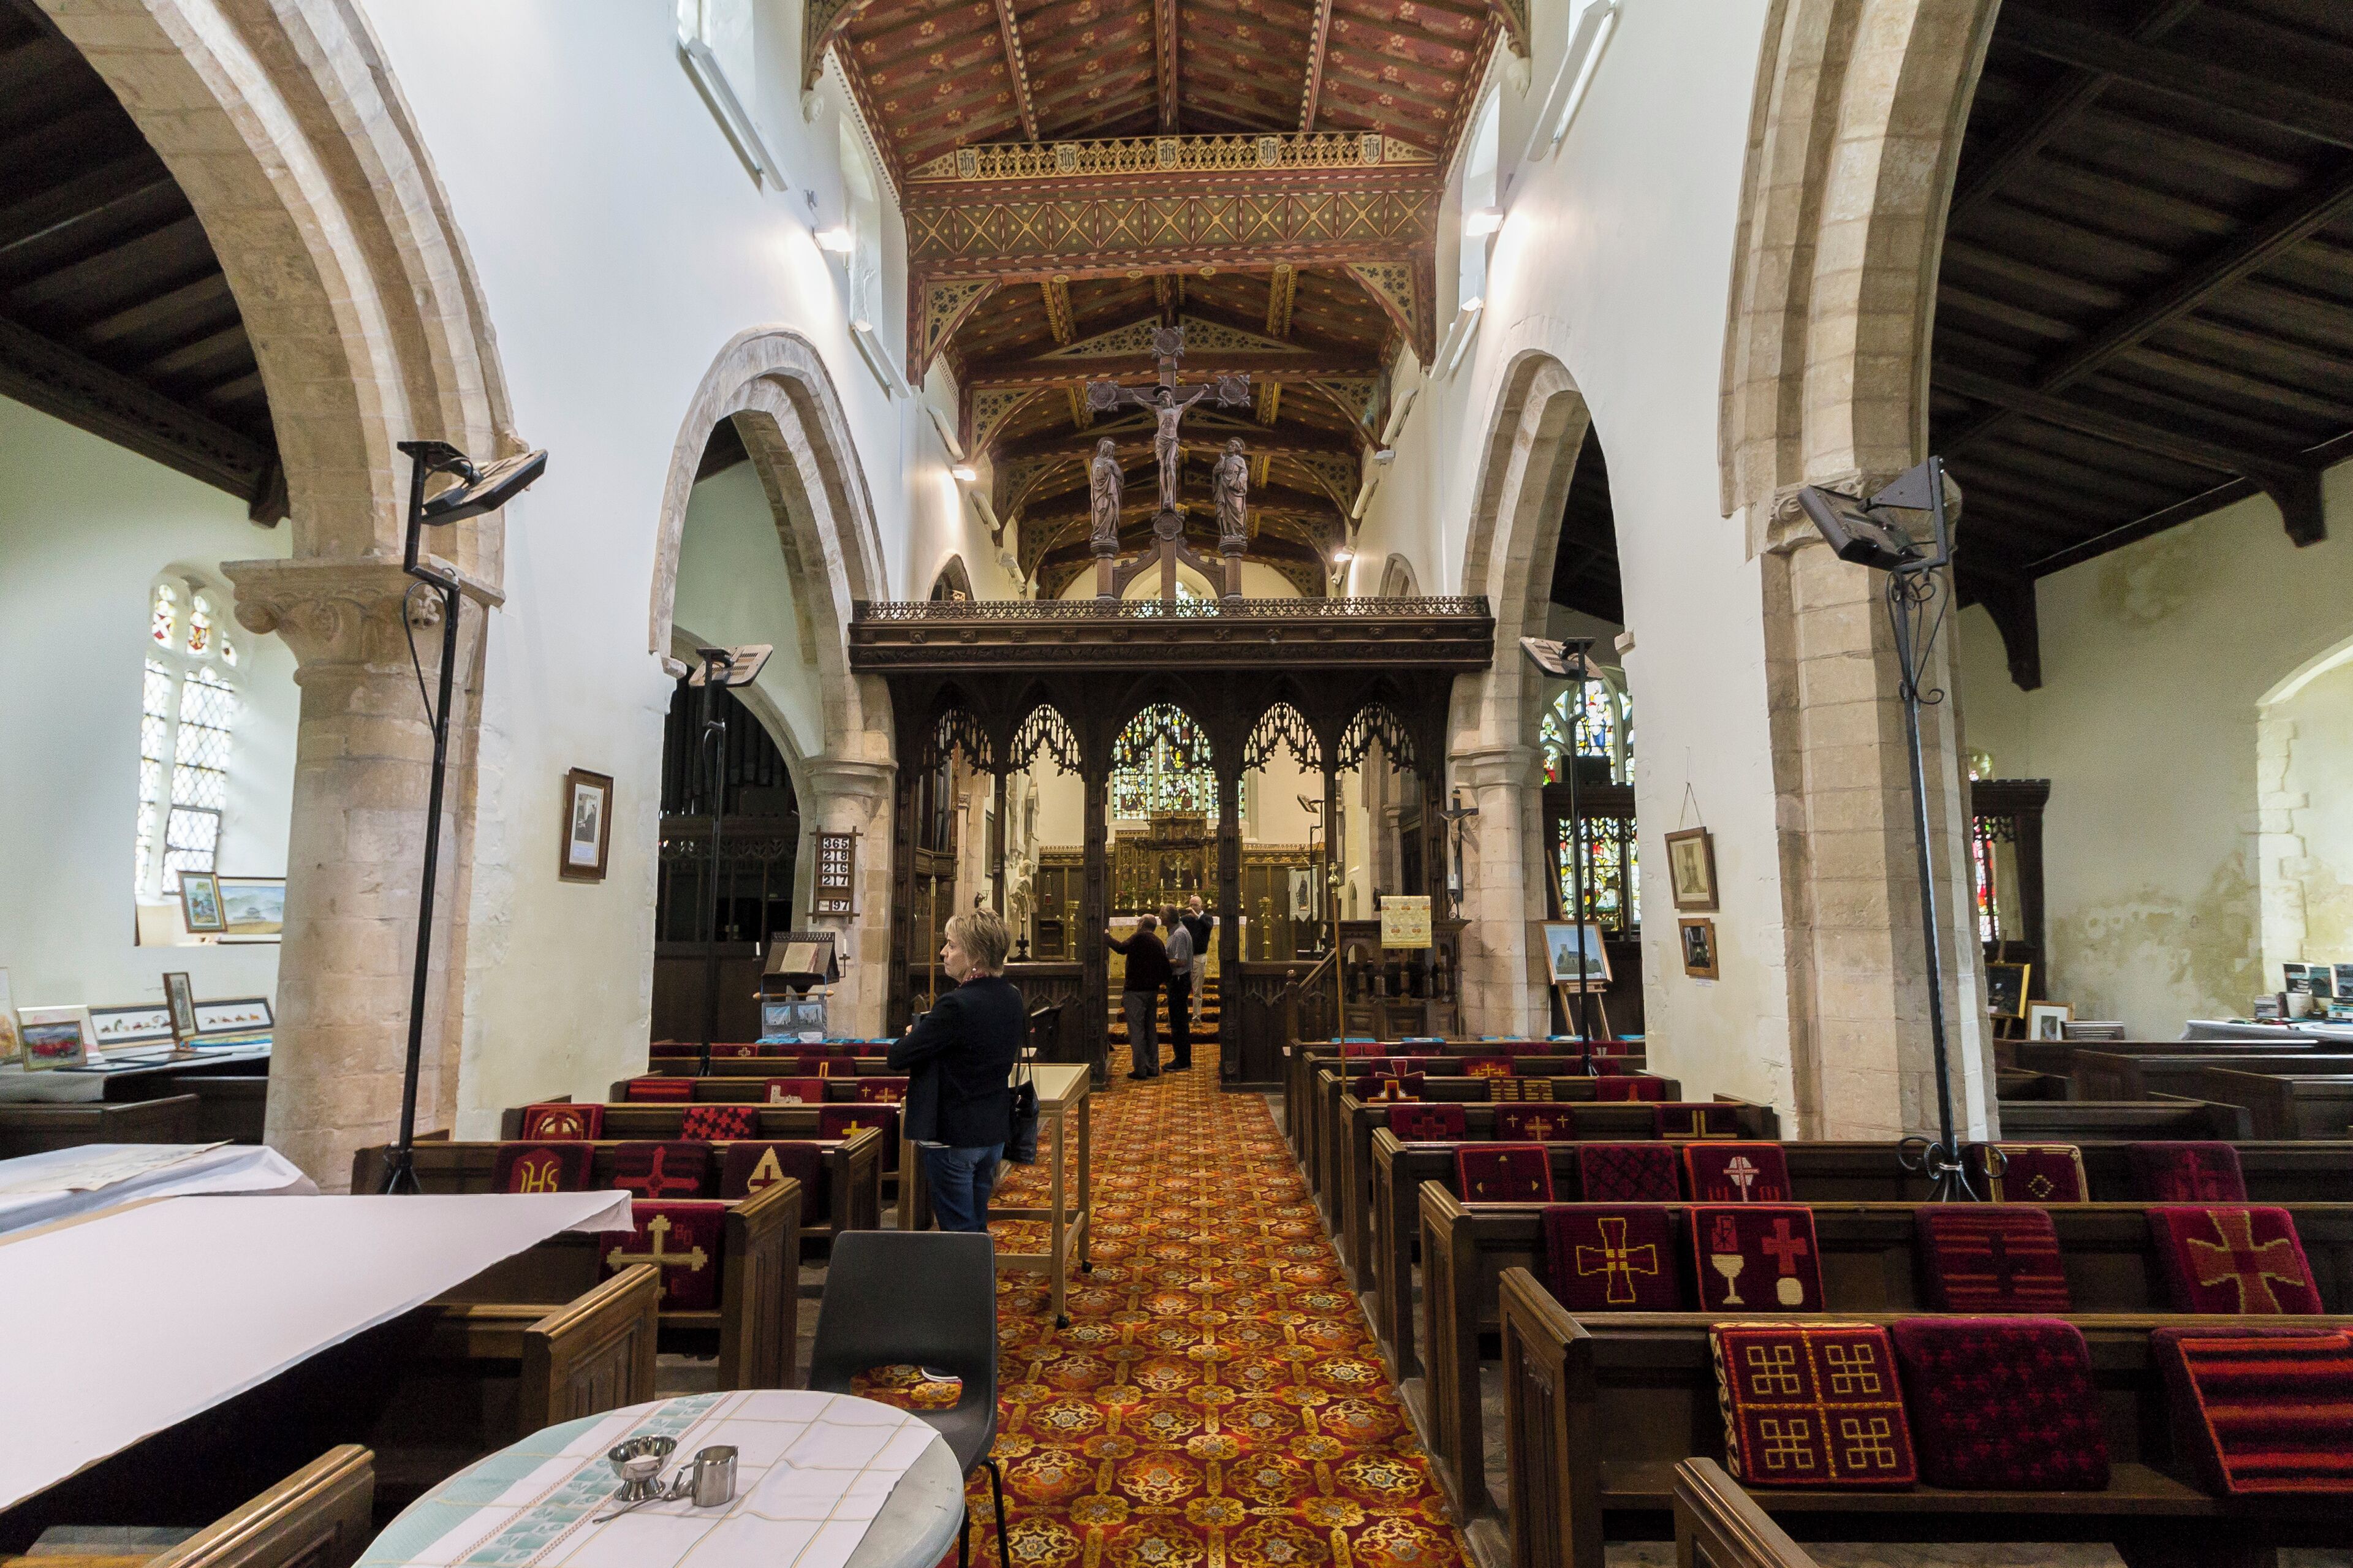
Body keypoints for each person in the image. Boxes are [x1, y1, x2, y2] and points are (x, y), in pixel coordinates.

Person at [889, 908, 1023, 1233]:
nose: (943, 952)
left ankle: (969, 1285)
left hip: (954, 1134)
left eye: (951, 944)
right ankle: (982, 1284)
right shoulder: (1011, 995)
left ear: (975, 954)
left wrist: (914, 1036)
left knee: (958, 1232)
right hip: (991, 1131)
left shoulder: (956, 1005)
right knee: (976, 1225)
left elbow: (897, 1056)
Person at [1105, 913, 1170, 1079]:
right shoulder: (1158, 942)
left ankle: (1140, 1069)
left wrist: (1106, 936)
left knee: (1137, 1031)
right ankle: (1153, 1067)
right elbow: (1165, 968)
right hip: (1151, 991)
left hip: (1135, 991)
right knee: (1150, 1030)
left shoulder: (1138, 938)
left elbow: (1120, 948)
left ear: (1142, 924)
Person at [1161, 904, 1194, 1072]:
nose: (1159, 917)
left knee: (1179, 1022)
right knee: (1177, 1021)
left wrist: (1161, 962)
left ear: (1169, 917)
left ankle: (1182, 1060)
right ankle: (1181, 1057)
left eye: (1161, 914)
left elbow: (1181, 961)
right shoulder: (1175, 931)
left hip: (1179, 980)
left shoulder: (1179, 934)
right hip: (1177, 980)